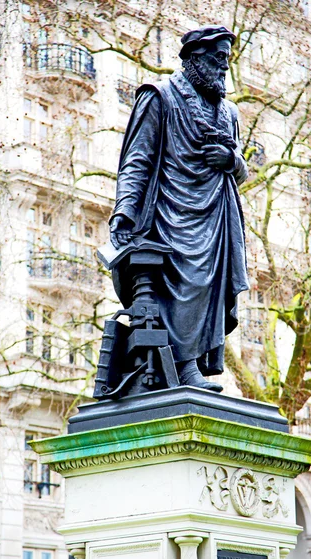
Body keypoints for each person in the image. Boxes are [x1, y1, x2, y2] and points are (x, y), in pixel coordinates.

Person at [109, 25, 249, 392]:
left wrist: (231, 160)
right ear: (195, 60)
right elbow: (137, 161)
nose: (224, 69)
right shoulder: (160, 97)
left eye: (227, 62)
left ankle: (193, 366)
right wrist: (124, 210)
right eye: (218, 61)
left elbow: (242, 169)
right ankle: (184, 368)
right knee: (185, 286)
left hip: (216, 215)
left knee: (209, 291)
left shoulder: (229, 112)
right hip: (171, 214)